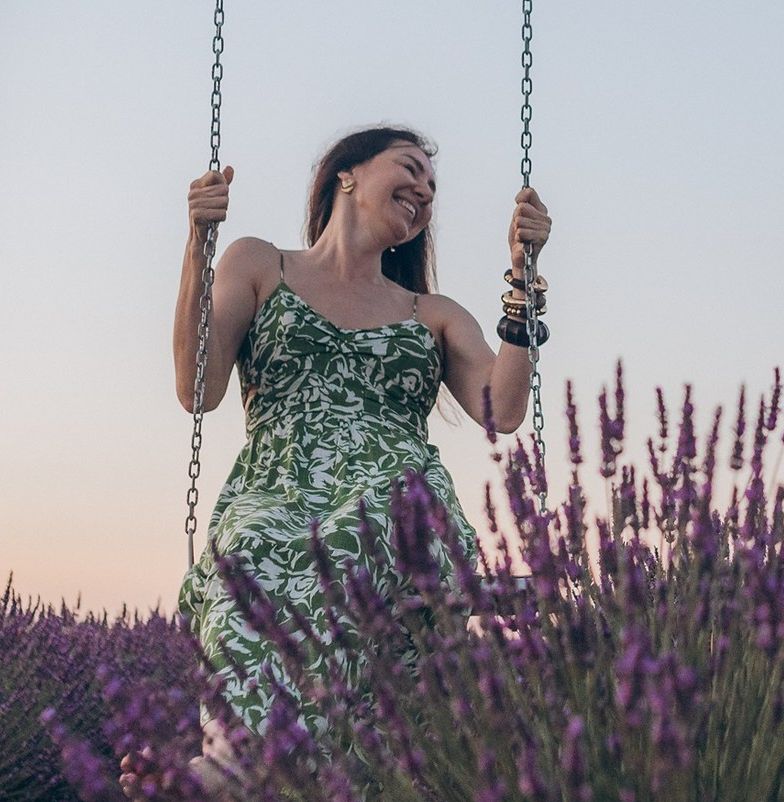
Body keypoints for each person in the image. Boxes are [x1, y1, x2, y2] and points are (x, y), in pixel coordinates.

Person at [172, 124, 552, 738]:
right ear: (346, 172)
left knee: (375, 530)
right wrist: (197, 245)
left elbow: (501, 410)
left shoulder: (431, 313)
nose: (425, 191)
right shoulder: (258, 263)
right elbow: (198, 390)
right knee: (244, 564)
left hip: (395, 495)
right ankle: (240, 777)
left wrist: (522, 283)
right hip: (275, 489)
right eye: (410, 169)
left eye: (433, 187)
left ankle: (230, 795)